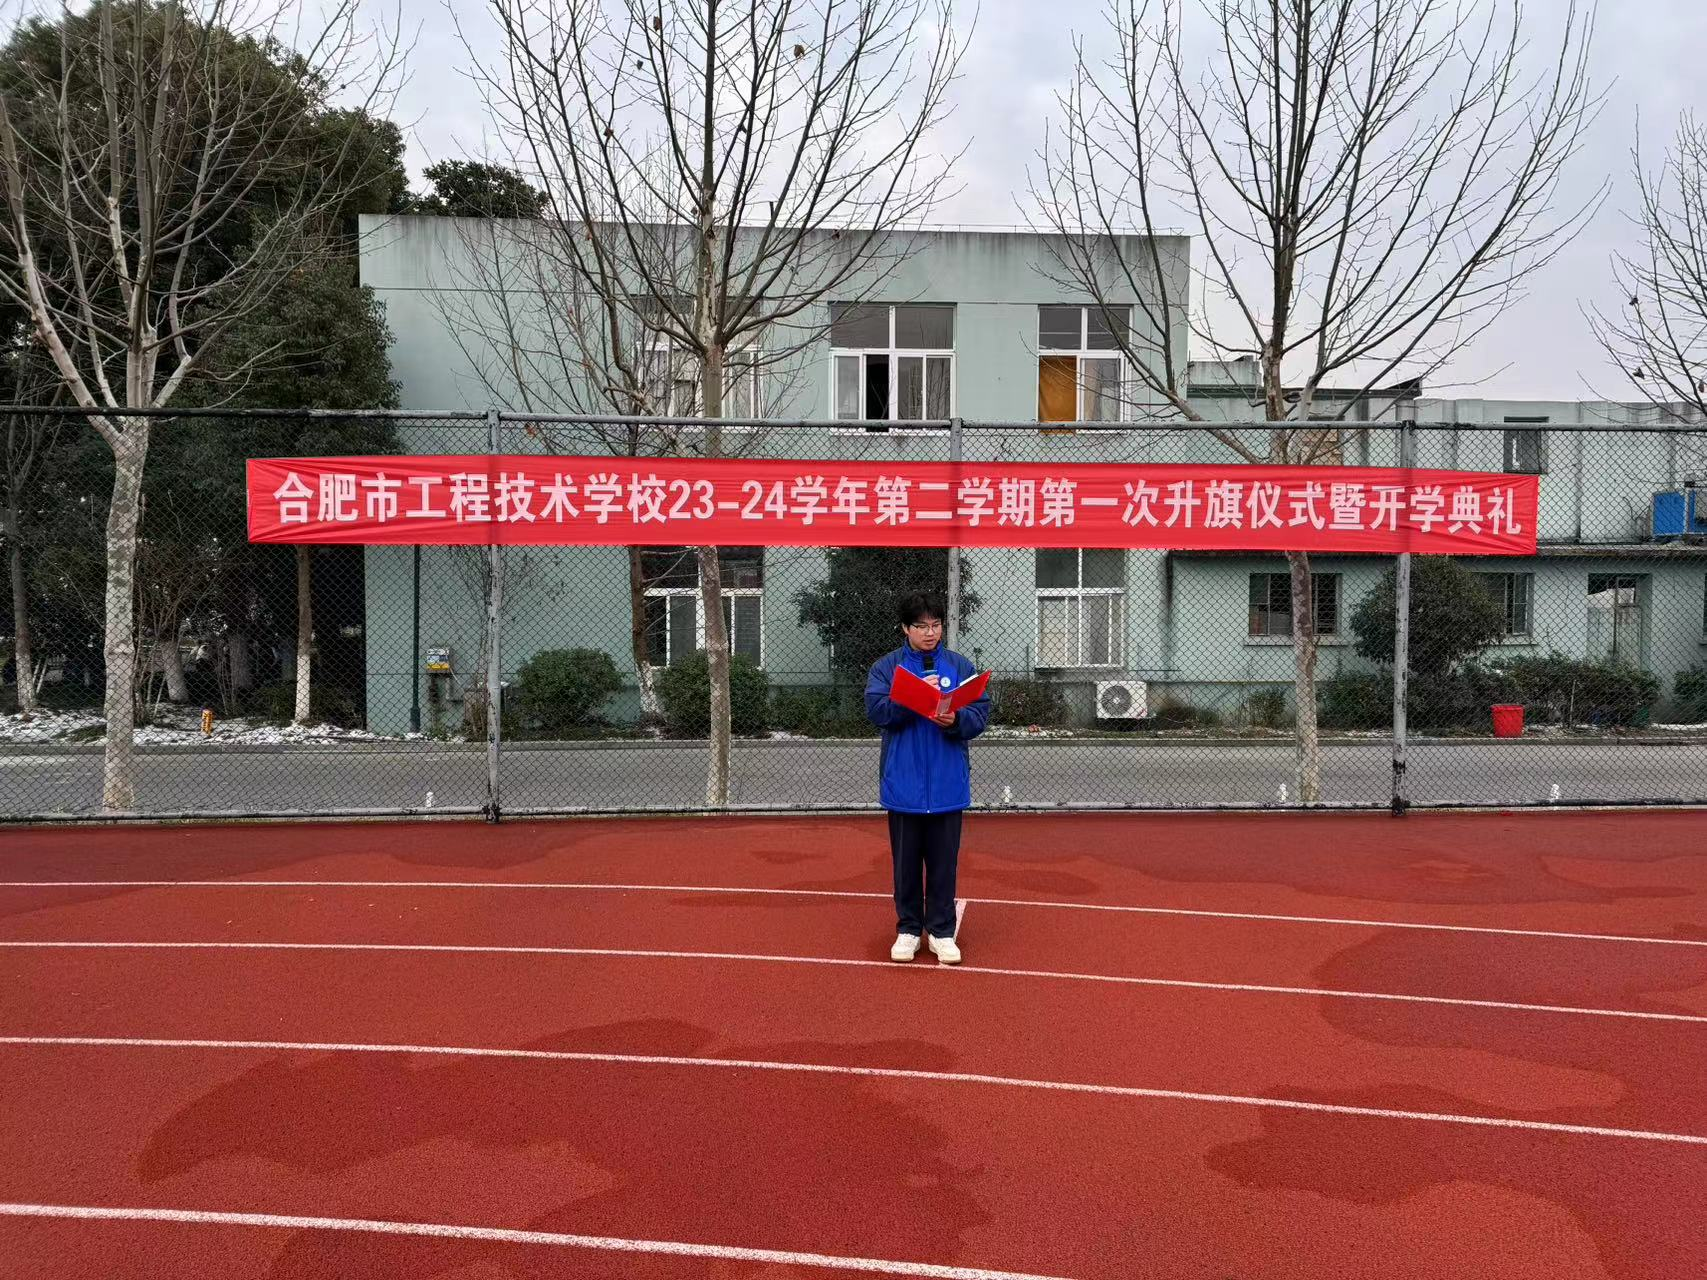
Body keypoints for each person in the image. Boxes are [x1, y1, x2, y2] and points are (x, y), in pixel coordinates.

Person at [864, 590, 990, 965]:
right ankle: (908, 929)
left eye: (935, 625)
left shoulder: (960, 665)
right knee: (905, 865)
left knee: (943, 864)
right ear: (905, 628)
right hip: (903, 784)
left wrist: (956, 720)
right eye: (921, 626)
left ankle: (941, 932)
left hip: (948, 784)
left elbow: (979, 714)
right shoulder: (886, 668)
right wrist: (912, 699)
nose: (930, 632)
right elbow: (877, 711)